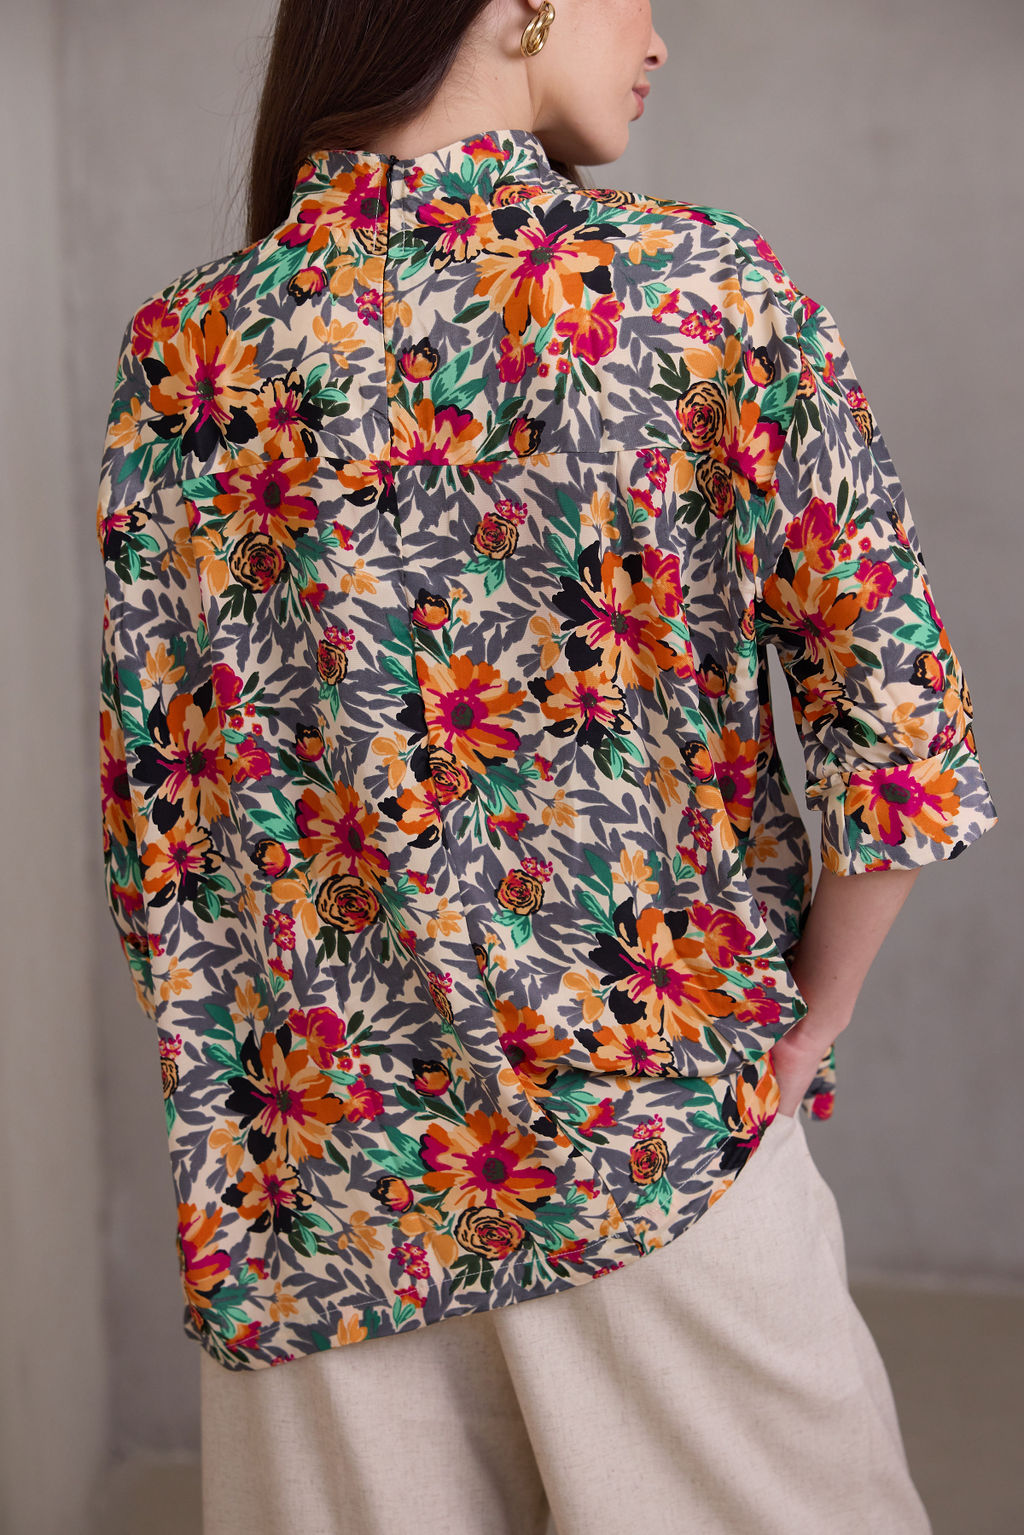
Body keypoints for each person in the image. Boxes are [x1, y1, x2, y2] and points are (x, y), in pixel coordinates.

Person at [94, 1, 997, 1530]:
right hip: (652, 1142)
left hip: (313, 1198)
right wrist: (807, 1031)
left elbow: (159, 840)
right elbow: (897, 738)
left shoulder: (188, 348)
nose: (660, 37)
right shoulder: (702, 291)